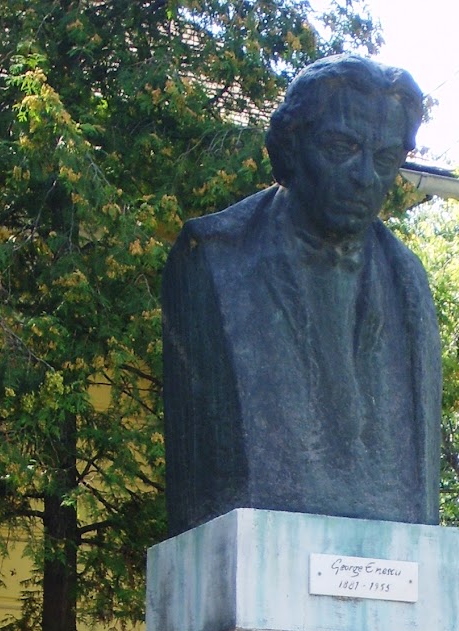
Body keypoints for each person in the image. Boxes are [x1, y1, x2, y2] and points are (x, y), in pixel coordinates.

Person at [161, 55, 441, 537]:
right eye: (341, 147)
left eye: (385, 160)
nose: (365, 177)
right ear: (288, 150)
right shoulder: (211, 259)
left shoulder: (408, 281)